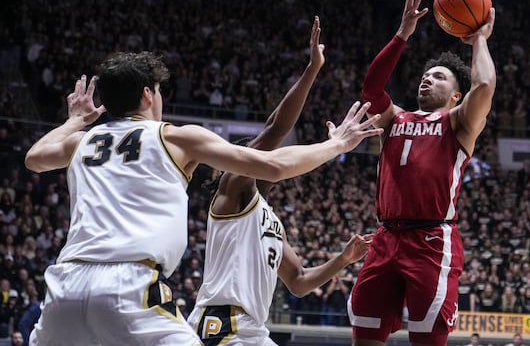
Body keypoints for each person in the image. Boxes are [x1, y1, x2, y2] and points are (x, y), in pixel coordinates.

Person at [24, 50, 382, 345]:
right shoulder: (174, 137)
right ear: (149, 94)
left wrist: (75, 120)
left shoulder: (81, 141)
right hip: (130, 285)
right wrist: (337, 144)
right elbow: (273, 163)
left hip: (65, 284)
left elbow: (35, 159)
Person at [187, 16, 373, 345]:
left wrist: (342, 259)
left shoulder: (269, 219)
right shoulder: (232, 192)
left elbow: (299, 282)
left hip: (253, 330)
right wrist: (313, 68)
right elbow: (275, 130)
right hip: (223, 324)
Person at [348, 0, 496, 346]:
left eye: (440, 76)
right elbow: (370, 90)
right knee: (364, 336)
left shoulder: (459, 123)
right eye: (426, 75)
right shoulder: (394, 118)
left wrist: (479, 40)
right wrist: (401, 35)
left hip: (431, 241)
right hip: (385, 238)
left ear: (456, 96)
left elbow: (485, 85)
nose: (427, 78)